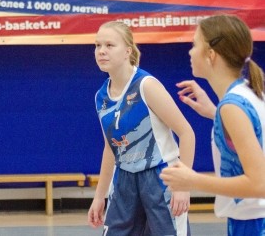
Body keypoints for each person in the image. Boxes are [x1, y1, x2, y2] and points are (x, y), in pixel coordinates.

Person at [160, 14, 265, 234]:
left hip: (253, 223)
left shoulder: (232, 107)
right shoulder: (249, 92)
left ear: (211, 55)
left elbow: (259, 184)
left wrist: (193, 180)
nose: (190, 52)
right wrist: (214, 113)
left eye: (194, 45)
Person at [88, 21, 195, 235]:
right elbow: (110, 148)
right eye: (98, 45)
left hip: (160, 175)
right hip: (124, 178)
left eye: (109, 45)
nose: (101, 51)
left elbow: (187, 133)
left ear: (127, 51)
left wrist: (183, 185)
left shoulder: (146, 85)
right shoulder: (101, 97)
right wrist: (100, 196)